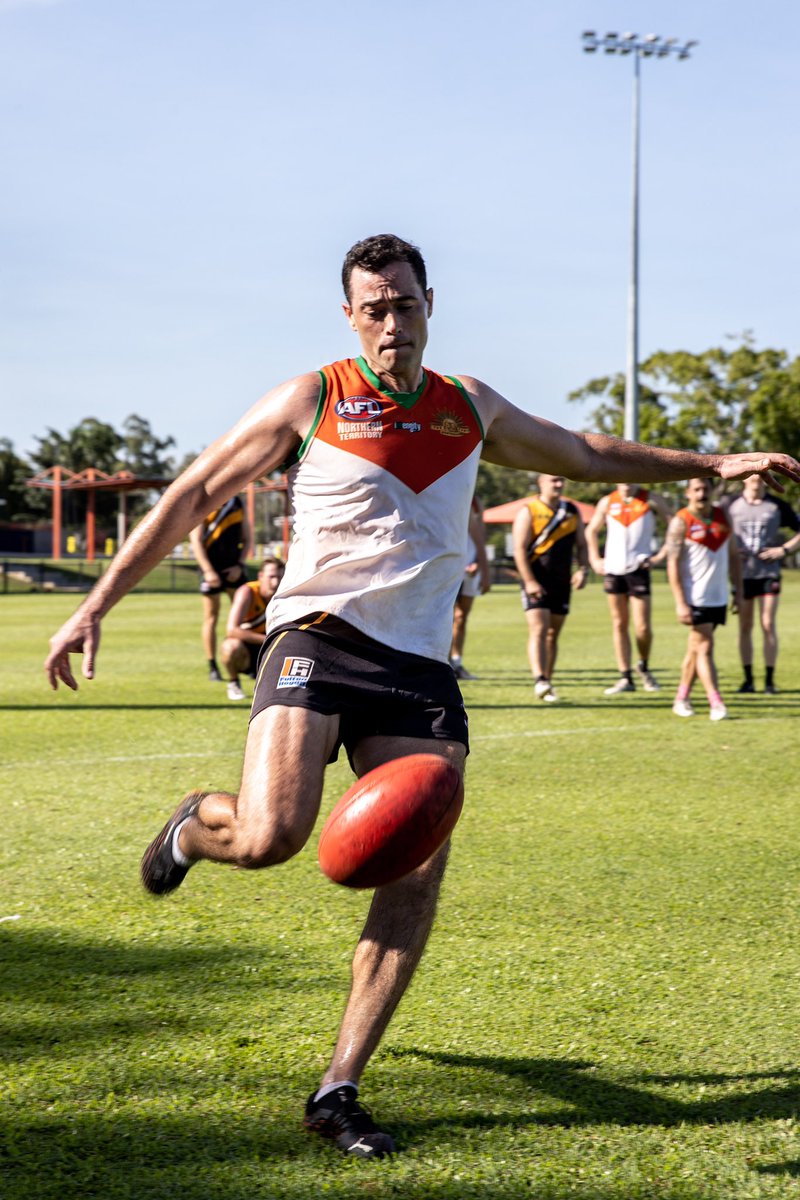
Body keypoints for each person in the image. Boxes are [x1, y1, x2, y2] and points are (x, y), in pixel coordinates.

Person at [44, 234, 799, 1159]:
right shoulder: (312, 398)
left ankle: (338, 1088)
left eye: (405, 304)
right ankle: (198, 826)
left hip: (419, 667)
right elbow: (194, 492)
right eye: (374, 308)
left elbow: (584, 449)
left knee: (414, 871)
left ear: (429, 304)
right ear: (350, 317)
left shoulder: (467, 406)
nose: (392, 323)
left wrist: (709, 463)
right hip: (318, 637)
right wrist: (91, 608)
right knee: (272, 836)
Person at [666, 478, 743, 721]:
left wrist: (738, 591)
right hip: (695, 598)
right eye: (696, 489)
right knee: (705, 647)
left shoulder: (723, 516)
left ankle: (681, 698)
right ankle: (716, 701)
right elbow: (672, 564)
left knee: (695, 650)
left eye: (705, 489)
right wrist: (680, 602)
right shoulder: (681, 521)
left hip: (718, 596)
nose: (701, 494)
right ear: (687, 493)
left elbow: (733, 556)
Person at [585, 484, 672, 695]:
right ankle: (625, 676)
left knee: (642, 627)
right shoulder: (607, 501)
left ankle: (643, 664)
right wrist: (595, 559)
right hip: (614, 570)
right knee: (619, 623)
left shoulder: (651, 499)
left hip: (639, 568)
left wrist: (660, 556)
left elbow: (675, 526)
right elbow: (591, 530)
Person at [511, 474, 589, 702]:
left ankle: (547, 681)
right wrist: (530, 581)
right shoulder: (530, 510)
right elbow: (519, 549)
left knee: (553, 633)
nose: (558, 484)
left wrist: (583, 569)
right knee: (539, 629)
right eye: (553, 480)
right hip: (536, 579)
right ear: (540, 483)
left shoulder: (572, 511)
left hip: (561, 581)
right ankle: (540, 680)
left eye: (561, 480)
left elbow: (582, 545)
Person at [727, 474, 800, 694]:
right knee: (745, 626)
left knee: (768, 624)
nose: (756, 480)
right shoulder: (731, 505)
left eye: (760, 477)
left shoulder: (776, 505)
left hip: (769, 574)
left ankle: (769, 681)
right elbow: (719, 532)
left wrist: (784, 550)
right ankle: (748, 680)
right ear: (744, 480)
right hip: (743, 575)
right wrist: (730, 551)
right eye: (752, 477)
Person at [189, 496, 251, 681]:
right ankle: (213, 665)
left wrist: (239, 565)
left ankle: (248, 661)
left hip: (233, 568)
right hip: (211, 570)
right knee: (211, 617)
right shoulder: (204, 503)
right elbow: (196, 541)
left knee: (245, 617)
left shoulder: (238, 503)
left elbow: (247, 539)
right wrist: (208, 571)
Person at [221, 556, 285, 701]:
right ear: (261, 576)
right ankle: (234, 682)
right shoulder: (248, 592)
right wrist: (269, 640)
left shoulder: (286, 594)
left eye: (280, 577)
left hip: (274, 649)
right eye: (271, 577)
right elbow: (231, 630)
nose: (275, 582)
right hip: (253, 645)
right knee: (230, 647)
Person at [449, 495, 491, 680]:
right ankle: (446, 661)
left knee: (462, 617)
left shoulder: (474, 500)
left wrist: (481, 567)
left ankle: (457, 662)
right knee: (449, 617)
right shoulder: (447, 496)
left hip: (471, 569)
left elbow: (480, 538)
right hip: (452, 569)